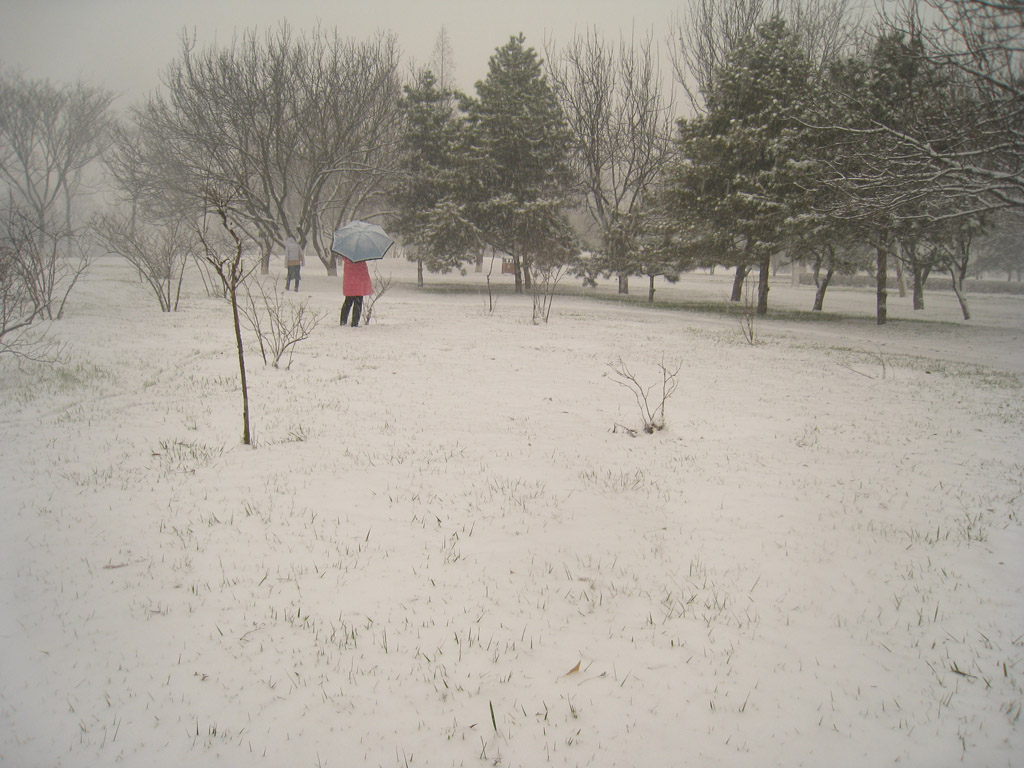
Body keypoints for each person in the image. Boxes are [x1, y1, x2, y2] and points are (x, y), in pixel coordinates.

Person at [340, 256, 373, 327]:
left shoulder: (346, 255)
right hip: (359, 282)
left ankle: (343, 321)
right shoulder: (361, 256)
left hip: (350, 281)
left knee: (348, 301)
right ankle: (355, 322)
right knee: (358, 302)